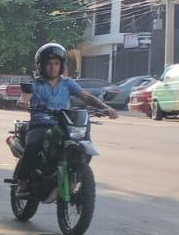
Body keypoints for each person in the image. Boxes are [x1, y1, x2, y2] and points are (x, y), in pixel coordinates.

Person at [15, 42, 117, 191]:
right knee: (33, 145)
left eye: (56, 63)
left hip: (65, 123)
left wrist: (106, 108)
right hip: (40, 124)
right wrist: (23, 102)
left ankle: (75, 172)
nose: (52, 67)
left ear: (61, 65)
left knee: (83, 143)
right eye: (48, 63)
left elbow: (87, 97)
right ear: (41, 66)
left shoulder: (68, 83)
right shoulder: (36, 84)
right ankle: (23, 179)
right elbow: (24, 97)